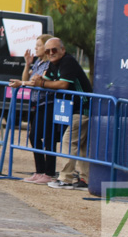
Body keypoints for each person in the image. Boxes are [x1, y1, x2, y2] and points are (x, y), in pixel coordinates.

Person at [37, 37, 92, 190]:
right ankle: (86, 180)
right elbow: (42, 81)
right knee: (81, 146)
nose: (51, 53)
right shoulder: (53, 64)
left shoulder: (68, 61)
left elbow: (62, 84)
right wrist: (23, 83)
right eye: (47, 51)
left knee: (68, 142)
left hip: (83, 108)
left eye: (54, 50)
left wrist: (40, 83)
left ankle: (66, 178)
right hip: (75, 109)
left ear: (63, 50)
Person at [8, 34, 56, 184]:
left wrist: (22, 83)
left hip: (48, 103)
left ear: (46, 47)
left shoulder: (49, 64)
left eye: (38, 46)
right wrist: (28, 64)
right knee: (35, 136)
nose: (35, 49)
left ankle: (48, 172)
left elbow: (34, 82)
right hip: (38, 104)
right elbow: (27, 78)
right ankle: (39, 171)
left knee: (46, 138)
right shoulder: (38, 62)